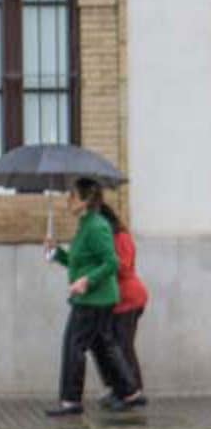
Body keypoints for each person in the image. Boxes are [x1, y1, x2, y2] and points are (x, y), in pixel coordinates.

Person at [44, 178, 142, 416]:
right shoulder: (85, 225)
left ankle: (71, 401)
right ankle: (130, 392)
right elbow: (78, 262)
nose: (68, 201)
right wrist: (56, 252)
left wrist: (86, 281)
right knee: (104, 346)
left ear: (86, 200)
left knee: (74, 347)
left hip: (94, 299)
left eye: (72, 197)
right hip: (93, 299)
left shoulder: (96, 226)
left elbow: (112, 263)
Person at [92, 203, 149, 408]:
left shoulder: (121, 237)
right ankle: (118, 388)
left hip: (130, 298)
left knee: (123, 346)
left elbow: (124, 266)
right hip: (114, 300)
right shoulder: (106, 239)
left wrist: (105, 262)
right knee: (108, 347)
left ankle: (134, 391)